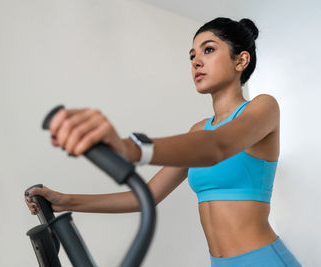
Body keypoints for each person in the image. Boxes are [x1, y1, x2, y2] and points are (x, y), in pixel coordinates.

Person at [25, 17, 302, 266]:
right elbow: (146, 196)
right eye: (192, 55)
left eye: (208, 50)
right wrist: (66, 200)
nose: (196, 61)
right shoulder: (199, 131)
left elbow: (217, 147)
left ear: (240, 61)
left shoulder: (263, 108)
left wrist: (130, 148)